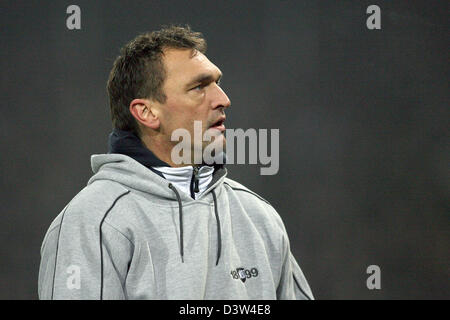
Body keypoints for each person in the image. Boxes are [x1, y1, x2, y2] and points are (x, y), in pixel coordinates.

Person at [38, 25, 314, 300]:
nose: (223, 100)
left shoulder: (259, 217)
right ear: (146, 112)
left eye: (217, 83)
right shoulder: (93, 223)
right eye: (198, 87)